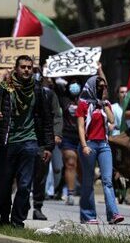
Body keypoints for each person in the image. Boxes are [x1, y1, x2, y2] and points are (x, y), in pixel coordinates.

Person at [0, 56, 54, 228]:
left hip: (30, 141)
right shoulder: (3, 88)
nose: (26, 70)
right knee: (5, 183)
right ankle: (4, 217)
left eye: (29, 67)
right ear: (16, 69)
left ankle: (17, 221)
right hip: (7, 141)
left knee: (25, 185)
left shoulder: (38, 90)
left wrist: (48, 146)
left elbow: (46, 119)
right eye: (23, 67)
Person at [76, 75, 124, 224]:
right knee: (88, 181)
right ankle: (88, 215)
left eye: (105, 87)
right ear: (91, 87)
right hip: (89, 144)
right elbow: (81, 126)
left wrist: (103, 104)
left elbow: (111, 120)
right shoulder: (83, 104)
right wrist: (84, 145)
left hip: (104, 145)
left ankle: (113, 214)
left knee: (107, 180)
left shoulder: (106, 104)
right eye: (100, 87)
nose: (103, 89)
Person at [31, 76, 62, 221]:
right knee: (23, 175)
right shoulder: (18, 92)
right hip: (24, 138)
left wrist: (56, 134)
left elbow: (56, 115)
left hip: (43, 140)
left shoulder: (49, 94)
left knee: (41, 174)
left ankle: (37, 207)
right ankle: (21, 205)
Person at [54, 75, 82, 205]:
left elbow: (103, 89)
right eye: (72, 83)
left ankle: (86, 191)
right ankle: (70, 194)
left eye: (77, 83)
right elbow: (54, 85)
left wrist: (99, 70)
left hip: (84, 137)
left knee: (82, 167)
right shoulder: (64, 98)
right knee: (71, 163)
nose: (74, 86)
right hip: (68, 136)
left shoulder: (86, 98)